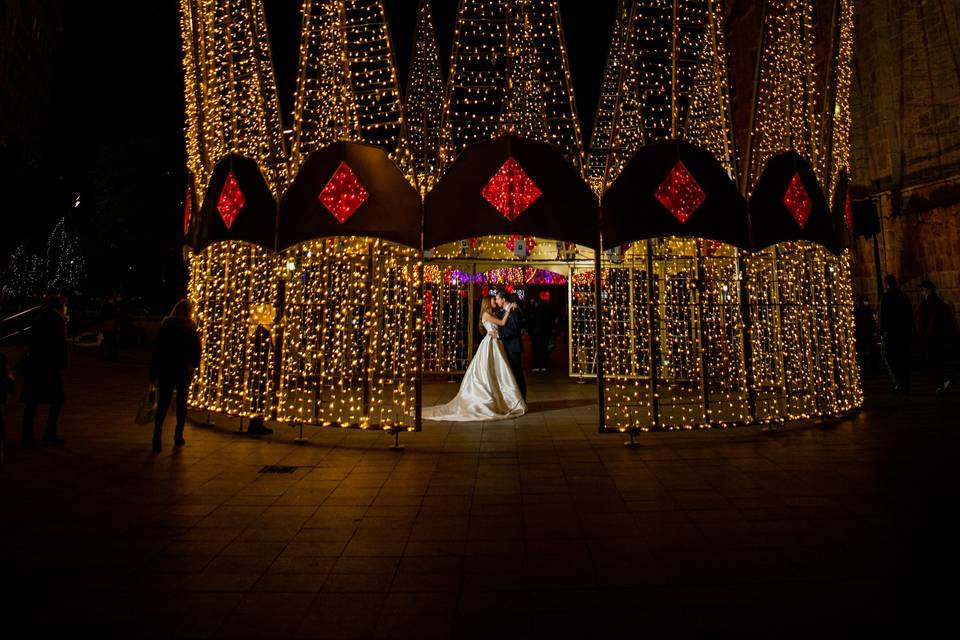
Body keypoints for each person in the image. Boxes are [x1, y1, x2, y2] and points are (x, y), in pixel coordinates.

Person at [422, 295, 526, 421]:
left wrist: (512, 307)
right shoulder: (487, 315)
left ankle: (504, 399)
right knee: (489, 372)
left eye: (496, 299)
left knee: (499, 373)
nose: (496, 301)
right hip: (490, 344)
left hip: (496, 343)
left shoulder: (493, 313)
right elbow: (503, 323)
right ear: (488, 302)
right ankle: (489, 400)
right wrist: (509, 310)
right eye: (494, 300)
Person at [149, 299, 201, 452]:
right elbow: (196, 350)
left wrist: (153, 372)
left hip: (166, 367)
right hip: (183, 369)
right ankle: (178, 434)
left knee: (163, 403)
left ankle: (156, 436)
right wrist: (194, 363)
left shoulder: (165, 326)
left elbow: (157, 350)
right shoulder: (191, 328)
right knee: (181, 403)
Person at [20, 295, 69, 446]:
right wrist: (62, 362)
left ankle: (28, 435)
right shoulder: (57, 320)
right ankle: (49, 433)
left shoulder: (41, 317)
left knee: (32, 402)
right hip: (49, 365)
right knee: (57, 399)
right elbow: (60, 344)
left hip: (36, 364)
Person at [915, 280, 956, 394]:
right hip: (940, 337)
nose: (922, 292)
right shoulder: (941, 304)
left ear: (928, 290)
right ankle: (943, 381)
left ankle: (942, 383)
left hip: (932, 338)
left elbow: (924, 320)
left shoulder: (928, 304)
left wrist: (923, 334)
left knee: (935, 361)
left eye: (923, 290)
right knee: (939, 360)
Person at [879, 275, 913, 393]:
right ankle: (905, 384)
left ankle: (898, 382)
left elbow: (883, 316)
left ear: (887, 284)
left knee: (888, 356)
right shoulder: (904, 297)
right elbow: (909, 315)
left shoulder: (886, 298)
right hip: (903, 332)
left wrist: (882, 331)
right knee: (903, 357)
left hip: (892, 332)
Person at [497, 291, 527, 400]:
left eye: (497, 299)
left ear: (503, 299)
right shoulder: (502, 311)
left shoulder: (514, 310)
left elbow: (514, 329)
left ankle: (522, 400)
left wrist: (500, 335)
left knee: (517, 374)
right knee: (510, 375)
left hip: (513, 347)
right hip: (506, 346)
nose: (496, 301)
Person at [854, 296, 879, 373]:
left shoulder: (869, 312)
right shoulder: (859, 312)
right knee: (863, 352)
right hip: (862, 334)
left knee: (871, 351)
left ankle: (872, 367)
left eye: (867, 301)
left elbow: (872, 322)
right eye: (865, 302)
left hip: (868, 334)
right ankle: (865, 367)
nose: (866, 303)